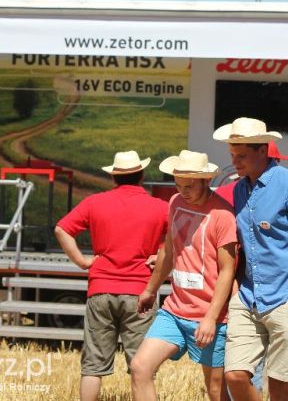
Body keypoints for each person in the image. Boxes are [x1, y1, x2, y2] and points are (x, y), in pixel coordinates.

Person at [214, 117, 288, 401]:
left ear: (263, 151)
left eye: (241, 155)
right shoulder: (240, 189)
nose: (235, 162)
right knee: (234, 376)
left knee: (279, 385)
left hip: (287, 298)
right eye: (232, 155)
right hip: (249, 297)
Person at [54, 150, 168, 401]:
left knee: (93, 366)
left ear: (114, 177)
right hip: (141, 292)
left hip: (100, 289)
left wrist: (82, 261)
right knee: (142, 367)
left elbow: (61, 229)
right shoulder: (160, 207)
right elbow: (179, 238)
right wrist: (158, 254)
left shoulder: (95, 202)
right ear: (142, 175)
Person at [131, 150, 237, 401]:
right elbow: (168, 248)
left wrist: (211, 318)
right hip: (174, 311)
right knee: (139, 368)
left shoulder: (223, 214)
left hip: (212, 316)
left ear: (206, 181)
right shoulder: (175, 202)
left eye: (189, 186)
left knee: (215, 390)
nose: (183, 191)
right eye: (178, 185)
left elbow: (227, 270)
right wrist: (150, 289)